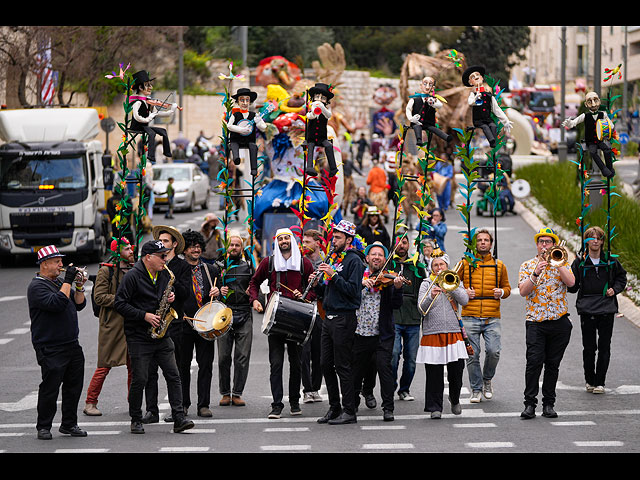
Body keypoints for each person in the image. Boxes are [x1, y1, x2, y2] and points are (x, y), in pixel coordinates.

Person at [114, 240, 194, 434]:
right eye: (162, 256)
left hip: (162, 334)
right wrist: (145, 315)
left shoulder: (164, 274)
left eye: (166, 255)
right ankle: (135, 418)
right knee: (140, 379)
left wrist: (172, 296)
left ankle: (178, 418)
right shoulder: (132, 276)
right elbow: (119, 303)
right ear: (148, 257)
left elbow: (168, 293)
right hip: (139, 336)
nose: (165, 259)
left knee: (174, 376)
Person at [248, 227, 316, 419]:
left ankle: (294, 402)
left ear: (292, 241)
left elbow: (314, 290)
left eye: (287, 238)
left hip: (297, 318)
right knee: (276, 364)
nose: (284, 241)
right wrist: (255, 299)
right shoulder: (269, 263)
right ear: (276, 242)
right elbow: (254, 282)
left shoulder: (304, 263)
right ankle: (276, 405)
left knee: (296, 363)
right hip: (275, 318)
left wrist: (304, 296)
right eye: (280, 239)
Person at [27, 246, 88, 440]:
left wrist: (78, 285)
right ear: (44, 264)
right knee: (50, 388)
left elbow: (79, 304)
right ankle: (43, 426)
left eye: (61, 261)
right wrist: (69, 280)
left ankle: (69, 424)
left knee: (73, 387)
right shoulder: (37, 286)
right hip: (50, 346)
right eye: (57, 262)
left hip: (72, 344)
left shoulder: (60, 282)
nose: (61, 265)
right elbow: (57, 303)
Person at [311, 220, 366, 425]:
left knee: (343, 365)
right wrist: (318, 285)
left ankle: (349, 410)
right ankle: (334, 407)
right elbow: (329, 292)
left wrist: (333, 275)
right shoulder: (335, 258)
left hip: (344, 318)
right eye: (333, 237)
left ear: (349, 240)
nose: (333, 241)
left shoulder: (354, 261)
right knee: (325, 364)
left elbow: (353, 291)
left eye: (338, 237)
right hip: (329, 316)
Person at [518, 227, 575, 419]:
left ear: (553, 245)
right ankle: (529, 404)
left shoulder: (562, 261)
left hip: (559, 322)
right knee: (534, 363)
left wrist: (558, 263)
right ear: (537, 244)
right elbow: (524, 291)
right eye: (541, 241)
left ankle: (549, 404)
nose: (544, 245)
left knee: (553, 364)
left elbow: (572, 282)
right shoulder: (527, 265)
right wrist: (535, 273)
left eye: (548, 242)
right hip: (536, 322)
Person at [568, 226, 627, 394]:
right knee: (589, 347)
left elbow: (621, 278)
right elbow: (573, 286)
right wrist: (565, 278)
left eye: (599, 238)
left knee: (604, 346)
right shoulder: (579, 262)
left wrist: (614, 289)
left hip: (606, 308)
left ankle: (600, 382)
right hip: (587, 308)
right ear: (585, 241)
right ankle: (590, 380)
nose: (595, 241)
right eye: (591, 238)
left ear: (602, 241)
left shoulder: (610, 261)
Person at [142, 225, 191, 423]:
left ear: (175, 244)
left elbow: (186, 293)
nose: (163, 245)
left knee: (177, 371)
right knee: (149, 371)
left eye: (166, 242)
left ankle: (180, 408)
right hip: (154, 322)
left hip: (175, 324)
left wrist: (174, 293)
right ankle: (151, 410)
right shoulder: (153, 263)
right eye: (160, 241)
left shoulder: (182, 266)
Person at [352, 242, 404, 421]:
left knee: (384, 369)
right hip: (360, 332)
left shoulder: (389, 279)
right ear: (366, 258)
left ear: (384, 259)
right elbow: (347, 294)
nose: (376, 257)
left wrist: (397, 289)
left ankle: (388, 408)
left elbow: (397, 305)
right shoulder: (358, 276)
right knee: (357, 370)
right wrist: (360, 284)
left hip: (383, 334)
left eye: (380, 255)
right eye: (373, 254)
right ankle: (351, 405)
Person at [458, 229, 511, 403]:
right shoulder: (465, 263)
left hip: (491, 317)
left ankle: (487, 379)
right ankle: (476, 389)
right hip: (470, 315)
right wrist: (463, 291)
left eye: (486, 240)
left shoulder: (499, 265)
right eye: (479, 240)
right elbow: (451, 283)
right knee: (472, 355)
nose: (482, 242)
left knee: (494, 351)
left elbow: (508, 288)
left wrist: (501, 292)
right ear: (474, 244)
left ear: (491, 243)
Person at [83, 238, 135, 417]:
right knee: (104, 365)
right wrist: (122, 300)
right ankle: (90, 402)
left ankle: (133, 403)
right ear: (117, 251)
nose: (131, 250)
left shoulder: (134, 268)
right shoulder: (107, 270)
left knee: (133, 366)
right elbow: (99, 297)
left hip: (131, 324)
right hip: (112, 325)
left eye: (131, 247)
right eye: (127, 248)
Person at [417, 250, 469, 419]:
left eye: (442, 265)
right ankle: (435, 407)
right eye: (435, 265)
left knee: (456, 371)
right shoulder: (426, 283)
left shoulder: (455, 280)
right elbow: (421, 309)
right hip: (433, 333)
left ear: (447, 266)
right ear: (431, 268)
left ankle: (454, 399)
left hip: (453, 332)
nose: (439, 268)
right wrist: (430, 296)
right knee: (434, 373)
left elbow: (465, 300)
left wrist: (451, 287)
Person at [179, 229, 222, 417]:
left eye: (198, 246)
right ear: (184, 249)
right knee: (182, 366)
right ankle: (183, 403)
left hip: (206, 325)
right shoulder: (177, 270)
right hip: (184, 324)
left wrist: (218, 292)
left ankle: (203, 404)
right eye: (191, 247)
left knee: (206, 365)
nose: (196, 250)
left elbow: (221, 297)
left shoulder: (211, 269)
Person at [218, 232, 254, 407]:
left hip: (244, 313)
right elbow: (210, 289)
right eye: (231, 245)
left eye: (237, 245)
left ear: (242, 248)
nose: (233, 248)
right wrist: (219, 291)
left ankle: (237, 393)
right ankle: (225, 393)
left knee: (242, 356)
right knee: (224, 356)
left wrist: (252, 293)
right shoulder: (220, 266)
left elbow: (259, 289)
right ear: (226, 247)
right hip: (224, 314)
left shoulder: (249, 266)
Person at [391, 233, 426, 403]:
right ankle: (390, 386)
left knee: (411, 359)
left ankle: (404, 389)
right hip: (394, 317)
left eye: (404, 242)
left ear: (409, 245)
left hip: (412, 318)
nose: (401, 245)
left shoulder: (417, 267)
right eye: (398, 242)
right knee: (394, 353)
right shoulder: (388, 265)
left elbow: (423, 291)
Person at [562, 91, 616, 178]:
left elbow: (610, 125)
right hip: (590, 141)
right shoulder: (585, 116)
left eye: (595, 100)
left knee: (607, 150)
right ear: (586, 104)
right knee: (593, 152)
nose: (593, 104)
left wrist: (611, 128)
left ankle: (610, 168)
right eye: (590, 102)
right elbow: (574, 122)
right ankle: (604, 169)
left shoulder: (603, 114)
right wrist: (569, 123)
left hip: (600, 140)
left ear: (599, 101)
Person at [129, 70, 177, 163]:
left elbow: (157, 113)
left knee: (163, 131)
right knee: (152, 134)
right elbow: (136, 116)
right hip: (138, 126)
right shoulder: (138, 102)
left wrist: (171, 111)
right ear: (140, 87)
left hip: (145, 126)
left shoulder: (148, 102)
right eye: (147, 85)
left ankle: (167, 152)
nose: (151, 87)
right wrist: (149, 118)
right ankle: (151, 156)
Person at [301, 229, 326, 403]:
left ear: (317, 243)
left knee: (319, 352)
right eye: (303, 242)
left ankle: (315, 388)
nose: (304, 245)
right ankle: (307, 389)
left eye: (308, 242)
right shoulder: (299, 262)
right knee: (304, 351)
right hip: (303, 309)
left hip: (321, 310)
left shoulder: (326, 262)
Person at [462, 65, 513, 148]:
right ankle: (491, 140)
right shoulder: (473, 94)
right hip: (478, 120)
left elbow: (496, 109)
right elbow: (470, 102)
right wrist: (476, 97)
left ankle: (493, 142)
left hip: (488, 118)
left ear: (482, 78)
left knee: (493, 126)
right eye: (473, 77)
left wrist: (505, 121)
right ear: (471, 83)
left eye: (477, 75)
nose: (476, 77)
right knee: (485, 127)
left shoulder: (489, 95)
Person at [227, 87, 267, 177]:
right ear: (238, 102)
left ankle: (253, 169)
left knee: (253, 147)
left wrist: (258, 122)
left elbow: (263, 127)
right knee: (233, 145)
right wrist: (241, 129)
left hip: (249, 140)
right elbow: (229, 126)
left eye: (247, 100)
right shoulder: (235, 115)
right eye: (242, 100)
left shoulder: (254, 115)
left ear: (250, 102)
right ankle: (236, 158)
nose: (245, 103)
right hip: (236, 139)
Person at [406, 76, 453, 147]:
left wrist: (432, 103)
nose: (427, 87)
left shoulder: (433, 99)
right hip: (417, 122)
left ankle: (446, 137)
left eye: (430, 85)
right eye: (425, 84)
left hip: (429, 123)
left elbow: (439, 105)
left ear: (433, 88)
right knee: (417, 127)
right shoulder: (414, 99)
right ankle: (419, 140)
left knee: (434, 129)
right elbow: (408, 109)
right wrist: (411, 119)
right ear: (421, 86)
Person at [305, 82, 339, 177]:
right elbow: (309, 116)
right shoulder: (312, 107)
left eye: (323, 98)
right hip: (311, 137)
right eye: (317, 97)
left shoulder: (326, 110)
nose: (319, 100)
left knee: (328, 146)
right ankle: (310, 167)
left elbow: (328, 115)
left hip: (321, 137)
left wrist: (322, 108)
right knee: (310, 147)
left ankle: (333, 168)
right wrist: (313, 111)